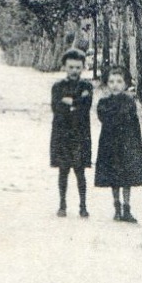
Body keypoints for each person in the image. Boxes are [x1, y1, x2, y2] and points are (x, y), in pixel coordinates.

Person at [93, 67, 142, 223]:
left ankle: (127, 208)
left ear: (125, 84)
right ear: (106, 84)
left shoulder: (129, 102)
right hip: (110, 145)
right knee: (113, 177)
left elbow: (128, 120)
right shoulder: (103, 102)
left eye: (119, 82)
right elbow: (104, 117)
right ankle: (117, 207)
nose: (115, 85)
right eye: (111, 82)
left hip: (126, 145)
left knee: (127, 178)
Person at [50, 49, 94, 217]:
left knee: (80, 171)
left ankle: (83, 205)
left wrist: (70, 102)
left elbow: (86, 107)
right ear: (64, 67)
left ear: (83, 67)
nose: (74, 71)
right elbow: (56, 108)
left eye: (78, 67)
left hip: (80, 134)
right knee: (63, 170)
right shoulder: (57, 87)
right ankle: (62, 204)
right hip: (62, 133)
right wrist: (77, 103)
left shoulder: (87, 86)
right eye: (71, 67)